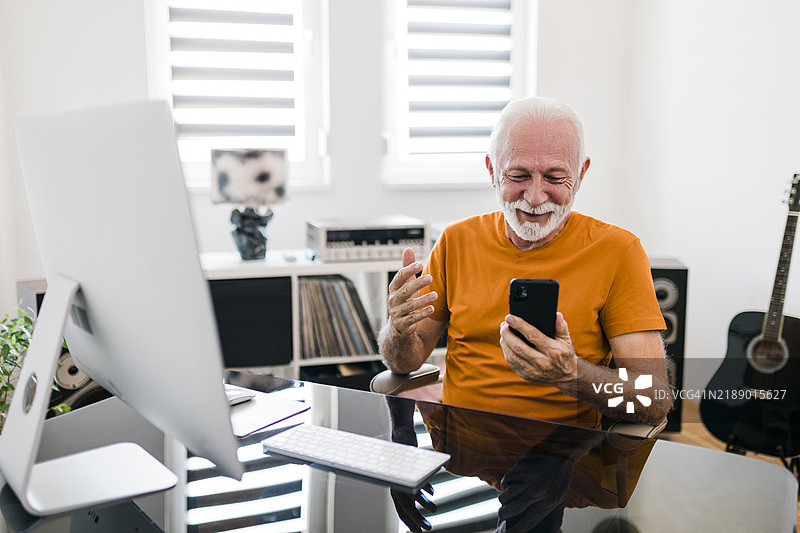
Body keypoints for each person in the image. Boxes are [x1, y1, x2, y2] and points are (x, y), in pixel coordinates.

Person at [378, 96, 672, 428]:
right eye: (518, 175)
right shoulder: (455, 241)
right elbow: (406, 361)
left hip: (564, 459)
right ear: (491, 171)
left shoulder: (619, 251)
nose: (534, 197)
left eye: (554, 177)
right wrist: (399, 331)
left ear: (581, 172)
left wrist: (570, 374)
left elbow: (653, 399)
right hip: (460, 453)